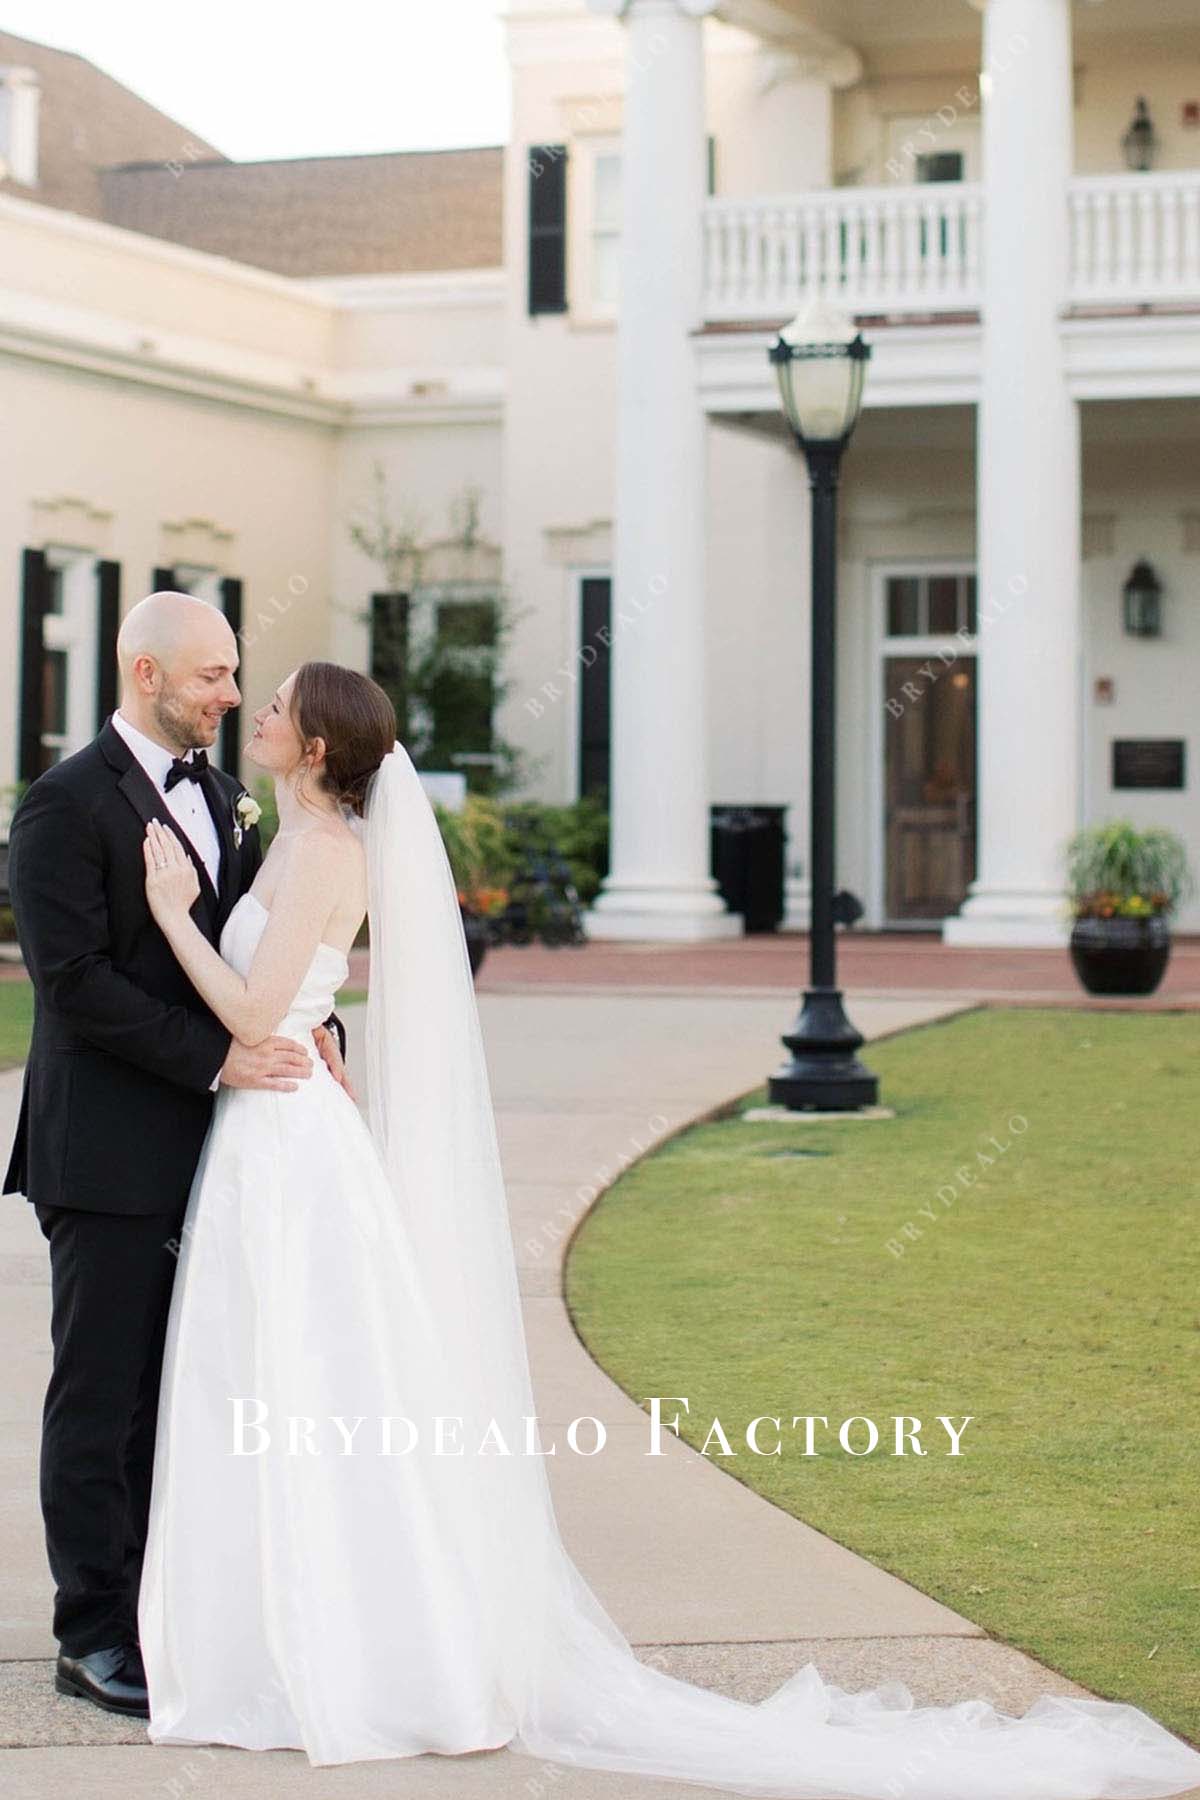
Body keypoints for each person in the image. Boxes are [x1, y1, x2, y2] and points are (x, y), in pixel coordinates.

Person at [128, 656, 1200, 1798]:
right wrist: (308, 1010)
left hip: (289, 1146)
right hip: (272, 1131)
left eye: (280, 705)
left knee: (313, 1381)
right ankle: (277, 1634)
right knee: (281, 1381)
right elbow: (300, 995)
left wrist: (169, 916)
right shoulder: (292, 843)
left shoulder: (330, 853)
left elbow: (250, 1009)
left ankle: (356, 1651)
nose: (262, 714)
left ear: (320, 745)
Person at [3, 595, 346, 1718]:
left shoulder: (225, 798)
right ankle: (91, 1633)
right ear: (145, 671)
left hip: (223, 1151)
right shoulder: (60, 807)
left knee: (188, 1391)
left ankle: (170, 1613)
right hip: (103, 1157)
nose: (233, 695)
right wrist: (221, 1063)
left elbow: (258, 942)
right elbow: (75, 987)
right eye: (211, 677)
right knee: (104, 1398)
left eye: (238, 675)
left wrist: (315, 1029)